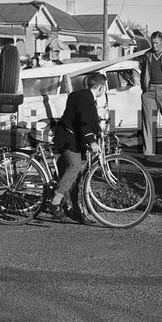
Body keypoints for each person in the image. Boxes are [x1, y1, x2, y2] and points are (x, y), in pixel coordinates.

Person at [45, 72, 106, 219]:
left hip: (70, 136)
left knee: (72, 169)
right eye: (104, 87)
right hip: (68, 137)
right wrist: (91, 140)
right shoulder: (87, 99)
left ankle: (69, 204)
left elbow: (85, 119)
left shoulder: (79, 95)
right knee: (75, 166)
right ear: (100, 87)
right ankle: (55, 200)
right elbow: (83, 121)